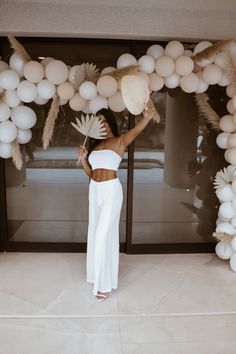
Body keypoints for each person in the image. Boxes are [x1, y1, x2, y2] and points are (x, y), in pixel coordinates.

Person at [77, 104, 155, 301]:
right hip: (94, 189)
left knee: (103, 234)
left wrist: (146, 117)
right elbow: (91, 173)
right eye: (98, 121)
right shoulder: (94, 146)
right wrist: (83, 159)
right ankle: (97, 276)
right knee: (95, 233)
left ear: (110, 122)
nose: (101, 124)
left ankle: (103, 286)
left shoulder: (120, 141)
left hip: (111, 190)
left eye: (103, 120)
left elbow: (136, 130)